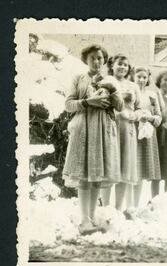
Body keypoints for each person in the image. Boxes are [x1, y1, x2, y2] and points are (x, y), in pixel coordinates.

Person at [62, 45, 123, 235]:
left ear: (104, 61)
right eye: (92, 58)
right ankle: (84, 219)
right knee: (83, 174)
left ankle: (91, 216)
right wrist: (88, 102)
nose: (96, 62)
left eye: (100, 58)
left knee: (97, 176)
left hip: (104, 130)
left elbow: (120, 106)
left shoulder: (110, 80)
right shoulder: (78, 79)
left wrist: (112, 90)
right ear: (85, 60)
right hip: (83, 129)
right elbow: (68, 105)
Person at [99, 54, 141, 211]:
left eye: (126, 65)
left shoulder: (133, 86)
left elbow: (139, 107)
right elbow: (102, 102)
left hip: (127, 129)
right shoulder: (106, 81)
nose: (123, 67)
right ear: (111, 65)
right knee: (109, 166)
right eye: (120, 64)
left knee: (125, 167)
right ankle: (105, 207)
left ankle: (117, 209)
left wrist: (135, 115)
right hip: (110, 126)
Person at [131, 67, 162, 207]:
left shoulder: (152, 95)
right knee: (134, 170)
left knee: (145, 170)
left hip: (148, 134)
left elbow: (159, 117)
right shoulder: (130, 92)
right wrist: (138, 117)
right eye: (139, 77)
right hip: (134, 133)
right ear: (133, 77)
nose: (142, 80)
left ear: (148, 78)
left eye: (144, 77)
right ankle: (132, 205)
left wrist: (150, 117)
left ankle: (143, 205)